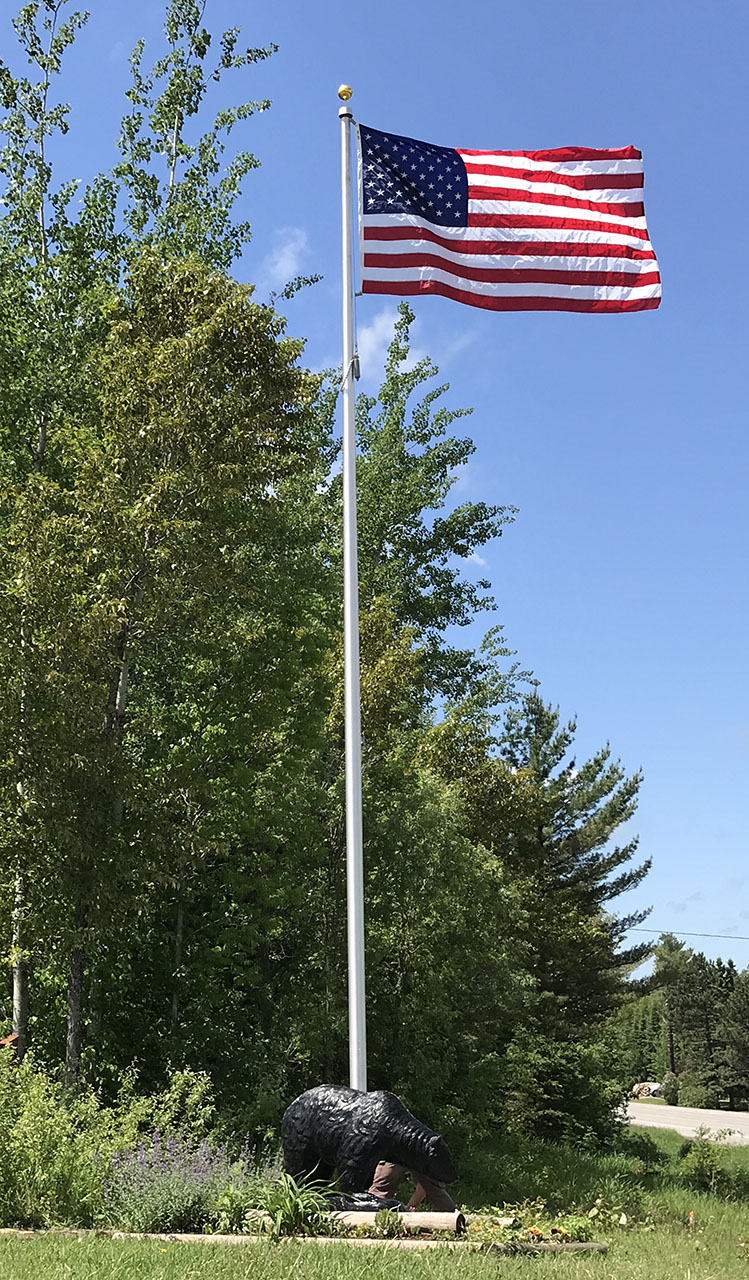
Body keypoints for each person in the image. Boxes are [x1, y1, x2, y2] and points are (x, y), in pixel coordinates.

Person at [368, 1160, 456, 1211]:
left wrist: (408, 1208)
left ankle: (451, 1219)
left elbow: (425, 1187)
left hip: (415, 1142)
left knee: (433, 1187)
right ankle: (369, 1214)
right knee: (379, 1192)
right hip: (397, 1144)